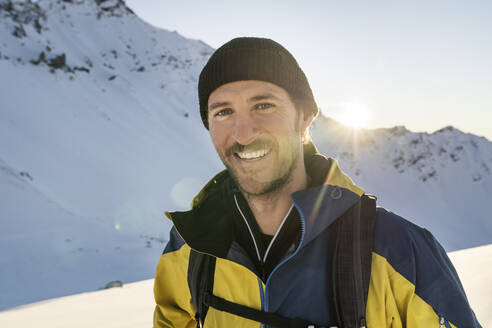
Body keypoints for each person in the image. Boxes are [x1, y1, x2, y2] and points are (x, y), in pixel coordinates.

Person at [153, 37, 481, 328]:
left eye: (263, 105)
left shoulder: (397, 250)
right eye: (223, 112)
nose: (243, 133)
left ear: (305, 116)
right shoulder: (189, 246)